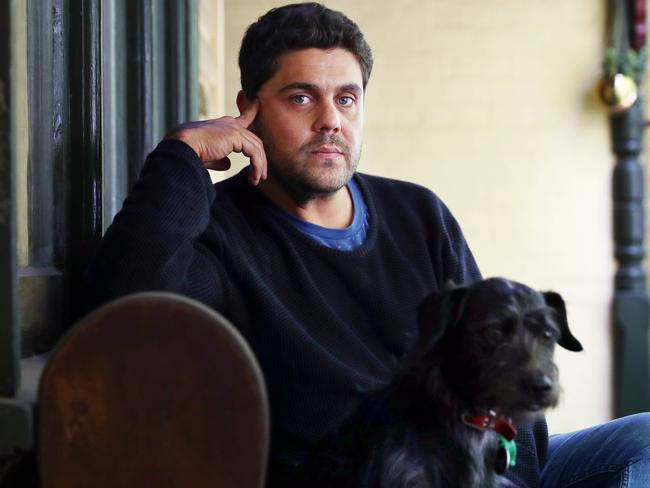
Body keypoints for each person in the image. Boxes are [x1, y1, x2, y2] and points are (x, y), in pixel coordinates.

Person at [80, 3, 650, 487]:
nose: (331, 120)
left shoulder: (419, 214)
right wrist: (181, 160)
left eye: (347, 98)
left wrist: (518, 478)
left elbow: (499, 362)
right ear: (248, 108)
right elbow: (122, 319)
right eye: (301, 98)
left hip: (478, 468)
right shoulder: (219, 231)